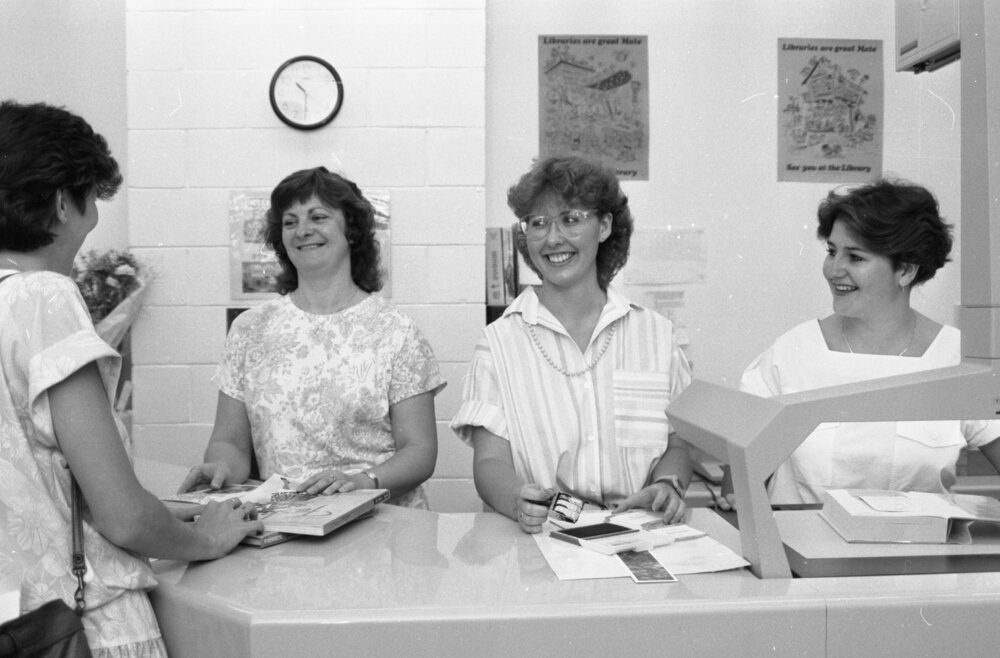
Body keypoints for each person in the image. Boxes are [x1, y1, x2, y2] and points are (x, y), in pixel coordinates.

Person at [0, 100, 263, 657]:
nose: (93, 219)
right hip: (78, 622)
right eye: (92, 198)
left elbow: (34, 480)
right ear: (59, 202)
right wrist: (206, 538)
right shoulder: (40, 294)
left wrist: (160, 508)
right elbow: (123, 519)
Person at [450, 156, 693, 534]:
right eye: (538, 222)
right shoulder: (498, 343)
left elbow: (678, 446)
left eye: (571, 219)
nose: (553, 238)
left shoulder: (657, 335)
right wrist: (518, 500)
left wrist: (667, 485)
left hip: (640, 536)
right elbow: (489, 463)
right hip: (545, 539)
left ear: (605, 226)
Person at [180, 167, 444, 508]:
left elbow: (420, 452)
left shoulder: (397, 331)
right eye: (290, 222)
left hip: (379, 523)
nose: (303, 231)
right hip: (281, 522)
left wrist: (360, 483)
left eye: (318, 217)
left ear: (351, 230)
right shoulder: (249, 329)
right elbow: (230, 442)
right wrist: (220, 469)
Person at [731, 176, 1000, 506]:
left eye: (855, 257)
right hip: (801, 552)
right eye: (832, 252)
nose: (833, 270)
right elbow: (738, 481)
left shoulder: (959, 358)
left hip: (918, 553)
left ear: (905, 271)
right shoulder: (792, 353)